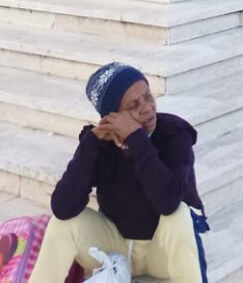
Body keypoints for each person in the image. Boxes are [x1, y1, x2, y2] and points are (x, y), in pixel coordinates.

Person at [29, 63, 206, 283]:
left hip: (161, 252)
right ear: (113, 116)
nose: (147, 108)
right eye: (134, 105)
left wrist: (136, 138)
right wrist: (90, 145)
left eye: (148, 97)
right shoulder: (100, 144)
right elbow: (63, 207)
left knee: (179, 214)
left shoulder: (174, 134)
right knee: (62, 224)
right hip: (115, 248)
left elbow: (169, 201)